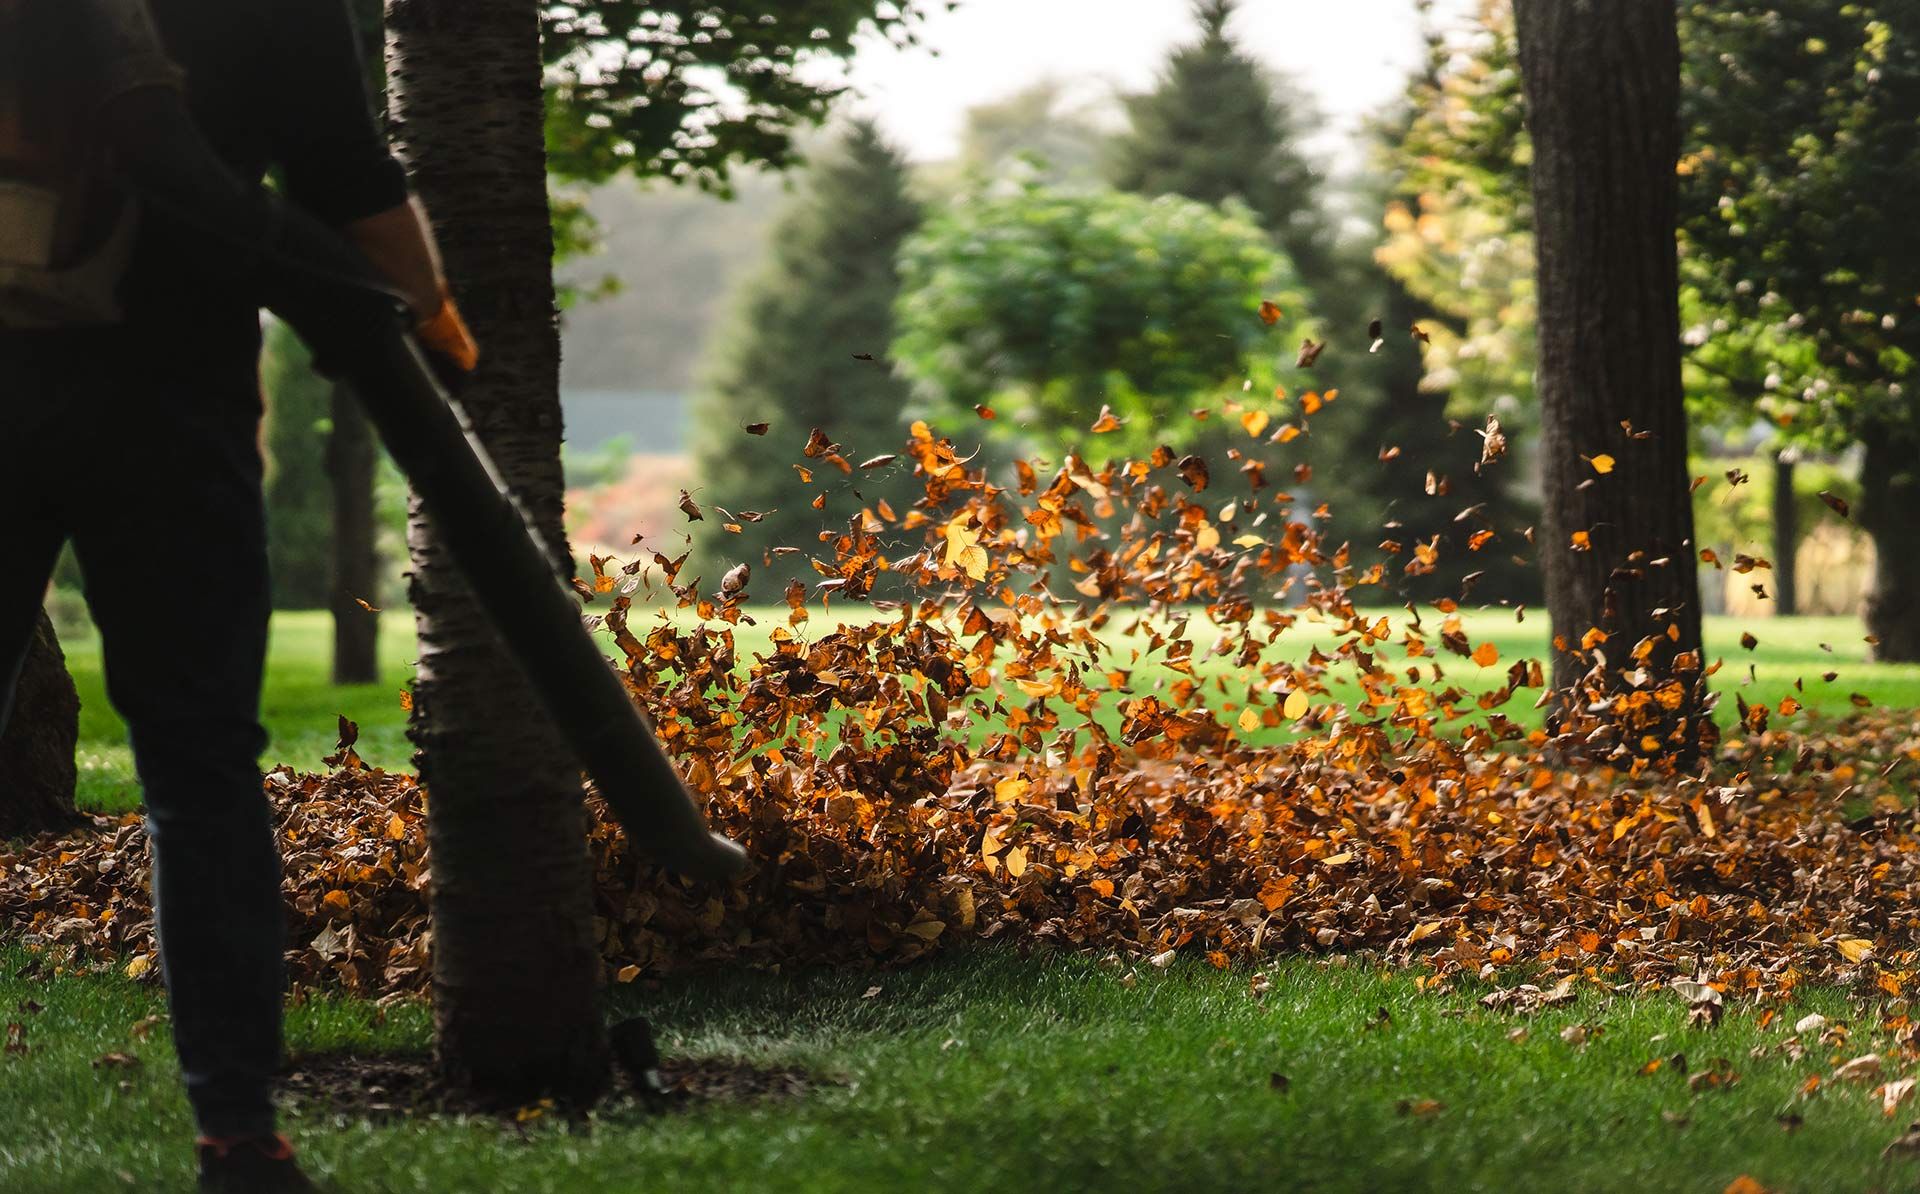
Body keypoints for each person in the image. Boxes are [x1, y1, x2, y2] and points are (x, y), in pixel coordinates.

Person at [0, 0, 472, 1188]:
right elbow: (342, 170)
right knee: (201, 774)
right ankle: (238, 1135)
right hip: (173, 407)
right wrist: (426, 314)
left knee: (202, 773)